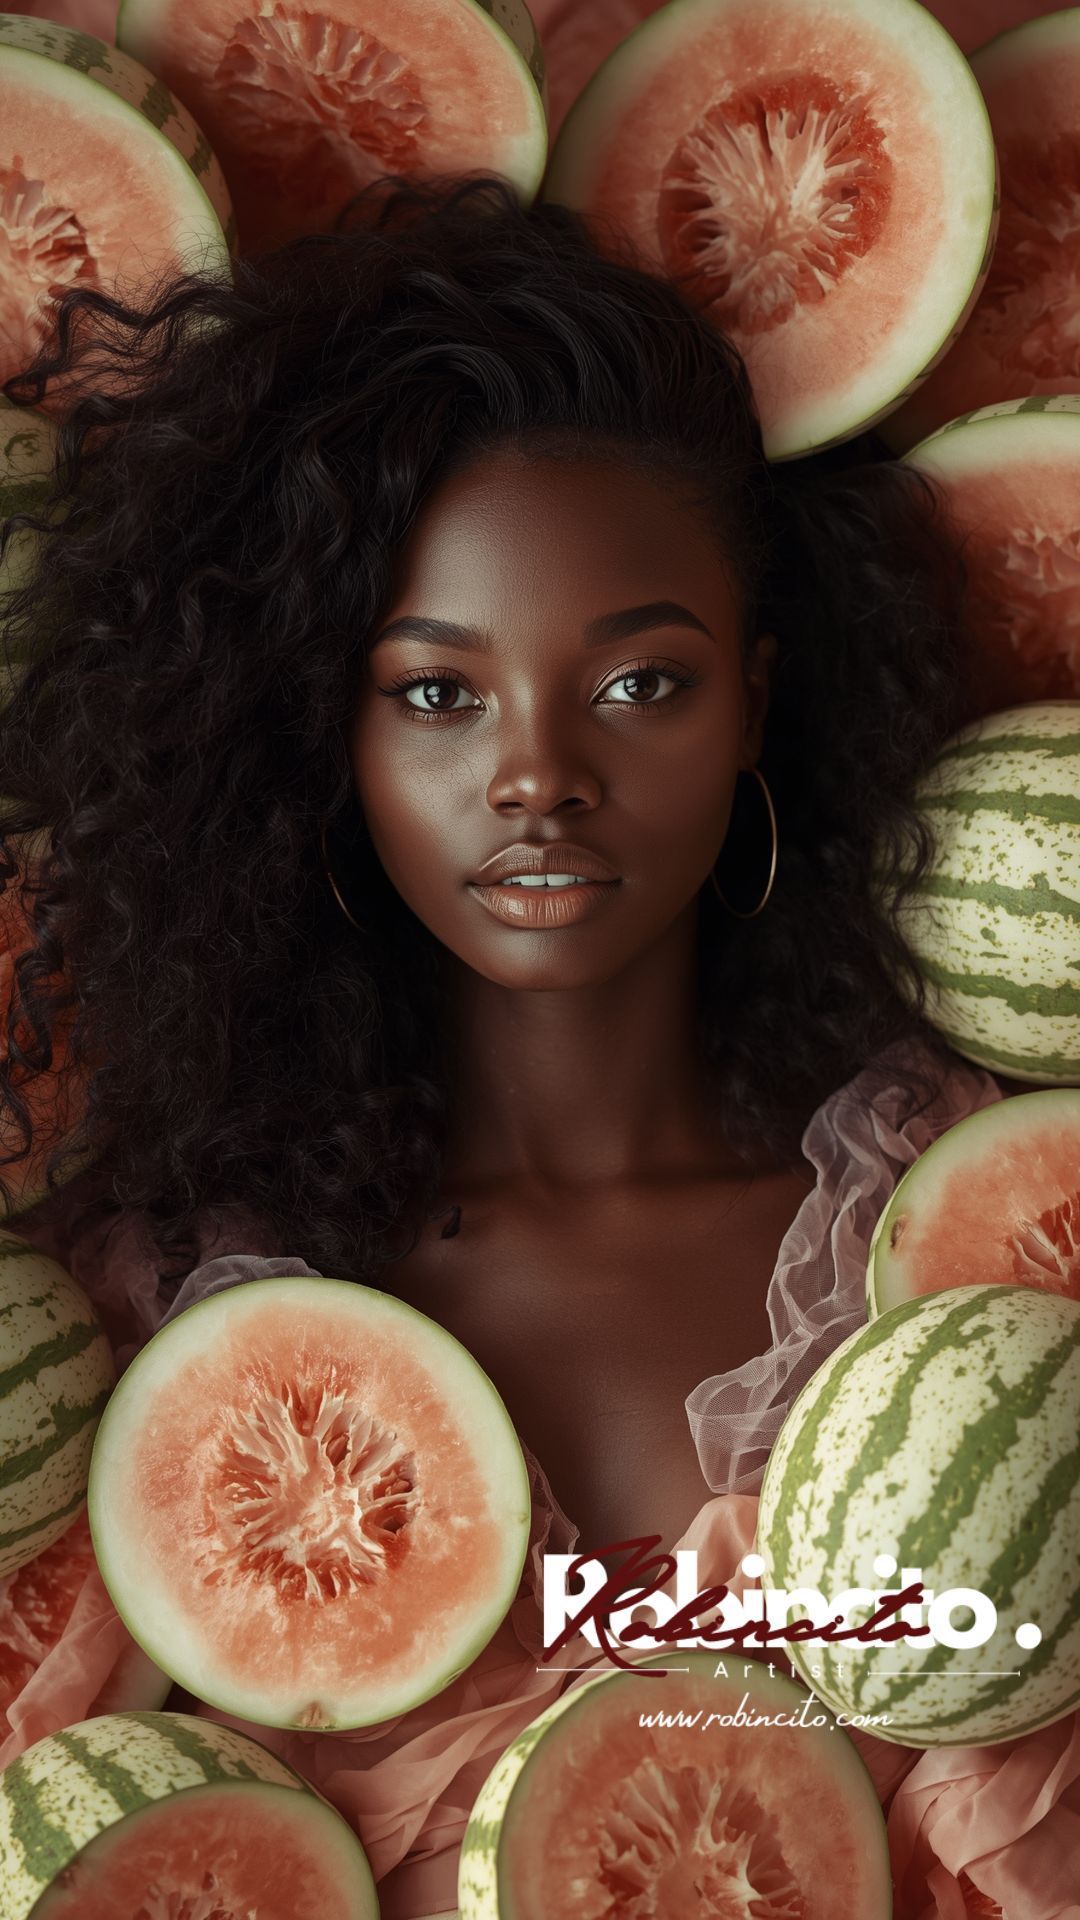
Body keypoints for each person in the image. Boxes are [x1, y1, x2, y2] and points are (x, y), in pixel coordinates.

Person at [0, 173, 1017, 1913]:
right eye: (436, 693)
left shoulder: (971, 1232)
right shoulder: (154, 1335)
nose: (539, 775)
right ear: (327, 735)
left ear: (757, 701)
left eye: (639, 684)